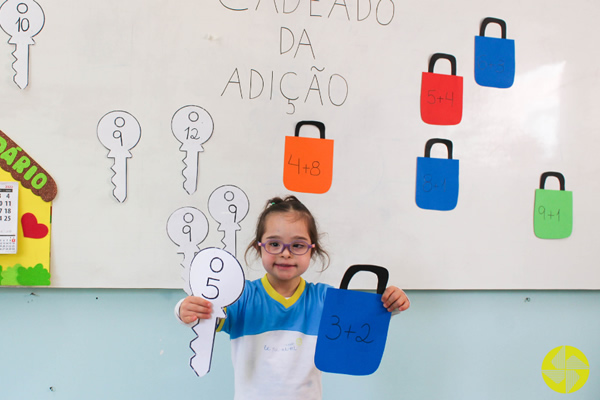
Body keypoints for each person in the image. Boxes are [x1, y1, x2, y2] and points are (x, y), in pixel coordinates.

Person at [176, 195, 410, 400]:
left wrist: (393, 302)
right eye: (274, 244)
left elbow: (364, 316)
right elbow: (208, 314)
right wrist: (184, 309)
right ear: (259, 248)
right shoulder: (242, 296)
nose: (285, 253)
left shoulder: (323, 299)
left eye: (298, 245)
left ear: (312, 249)